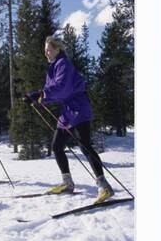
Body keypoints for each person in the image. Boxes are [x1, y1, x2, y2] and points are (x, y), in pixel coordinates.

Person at [25, 36, 114, 204]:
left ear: (58, 49)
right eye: (45, 51)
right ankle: (67, 183)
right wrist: (37, 97)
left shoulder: (63, 65)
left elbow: (62, 89)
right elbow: (51, 90)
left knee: (85, 145)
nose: (47, 54)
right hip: (67, 113)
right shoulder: (53, 68)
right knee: (57, 145)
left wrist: (42, 95)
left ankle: (104, 186)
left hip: (79, 108)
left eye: (49, 50)